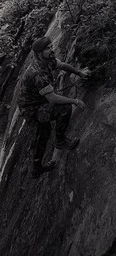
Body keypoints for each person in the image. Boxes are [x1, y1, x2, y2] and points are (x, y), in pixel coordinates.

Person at [17, 36, 89, 179]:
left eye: (51, 46)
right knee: (64, 108)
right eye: (48, 48)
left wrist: (79, 73)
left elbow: (62, 65)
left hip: (36, 101)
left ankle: (36, 169)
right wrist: (75, 101)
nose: (52, 49)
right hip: (31, 109)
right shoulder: (38, 72)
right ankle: (60, 141)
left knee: (43, 133)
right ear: (39, 53)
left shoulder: (47, 60)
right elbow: (53, 98)